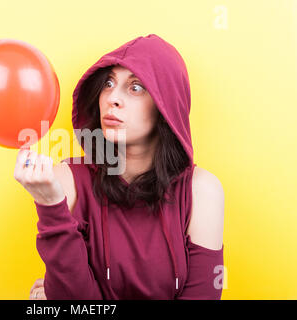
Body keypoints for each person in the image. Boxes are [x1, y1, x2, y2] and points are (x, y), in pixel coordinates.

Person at [14, 34, 225, 300]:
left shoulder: (202, 191)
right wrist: (51, 205)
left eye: (136, 87)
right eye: (109, 83)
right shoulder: (65, 180)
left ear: (165, 106)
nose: (112, 98)